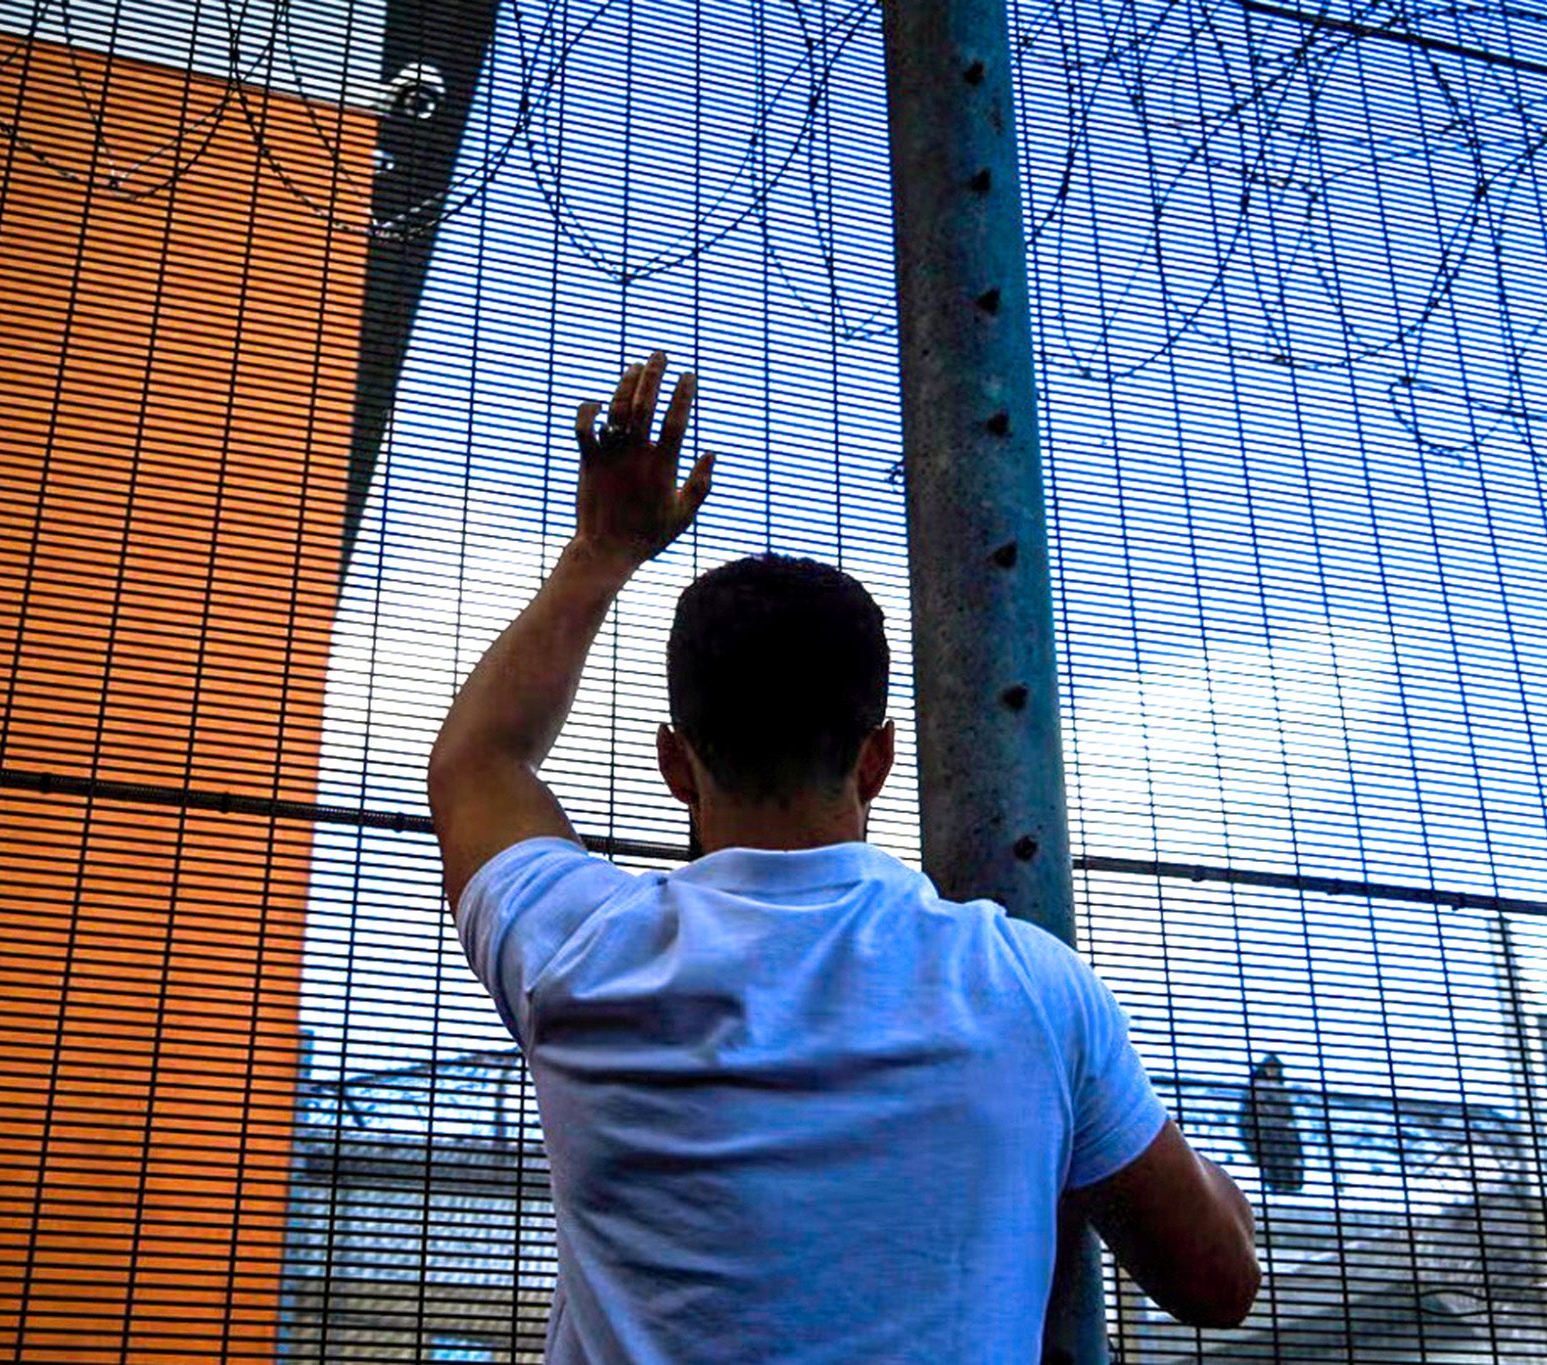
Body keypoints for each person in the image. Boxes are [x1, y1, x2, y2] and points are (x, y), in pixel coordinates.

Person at [428, 350, 1259, 1363]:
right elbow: (1215, 1281)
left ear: (672, 766)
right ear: (876, 758)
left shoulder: (579, 954)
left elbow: (479, 758)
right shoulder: (1025, 989)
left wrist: (600, 553)